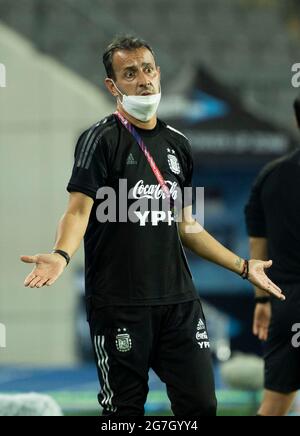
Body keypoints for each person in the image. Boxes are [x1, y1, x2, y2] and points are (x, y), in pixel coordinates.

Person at [21, 35, 284, 417]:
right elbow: (78, 211)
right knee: (124, 413)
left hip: (179, 304)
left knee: (201, 406)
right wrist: (62, 255)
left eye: (147, 69)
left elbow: (188, 226)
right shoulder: (99, 140)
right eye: (130, 73)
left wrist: (244, 267)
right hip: (118, 306)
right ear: (113, 86)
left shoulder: (179, 145)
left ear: (158, 73)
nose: (143, 79)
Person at [245, 97, 300, 416]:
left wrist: (261, 302)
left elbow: (257, 252)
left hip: (284, 303)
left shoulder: (270, 176)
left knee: (273, 408)